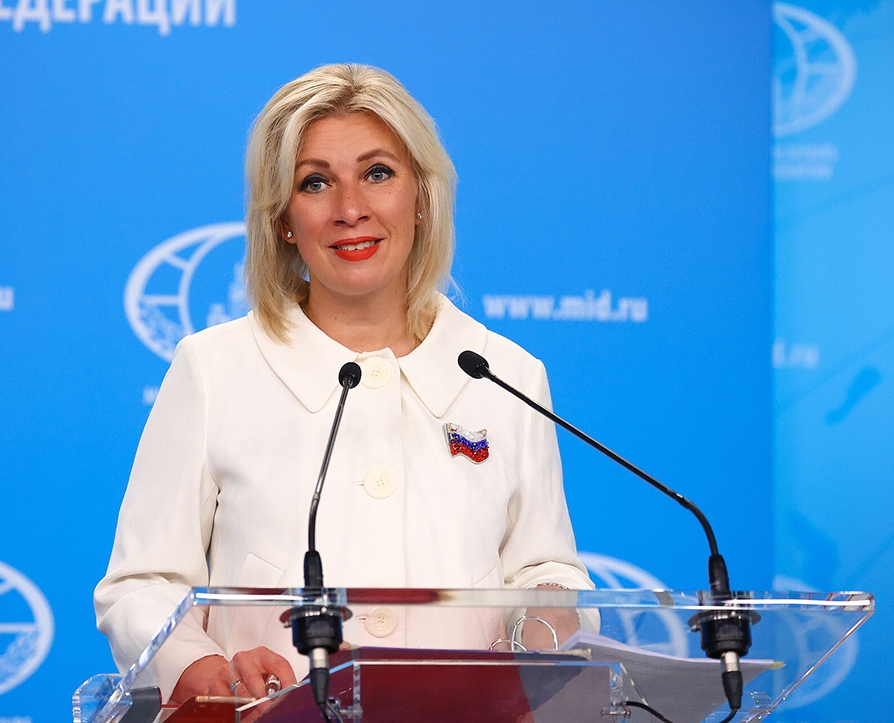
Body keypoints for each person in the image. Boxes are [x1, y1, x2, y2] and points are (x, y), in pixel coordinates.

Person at [94, 63, 595, 706]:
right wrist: (203, 665)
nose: (351, 209)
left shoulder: (506, 375)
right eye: (315, 182)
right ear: (282, 217)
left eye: (378, 173)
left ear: (422, 197)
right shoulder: (214, 369)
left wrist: (544, 623)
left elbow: (544, 569)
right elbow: (142, 584)